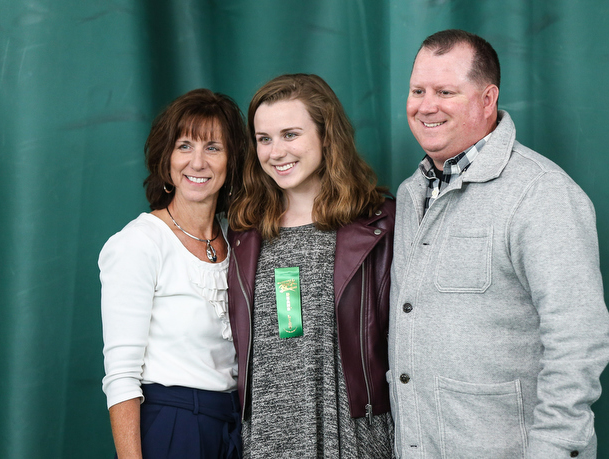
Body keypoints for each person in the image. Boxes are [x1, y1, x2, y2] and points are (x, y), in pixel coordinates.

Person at [388, 29, 609, 458]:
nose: (426, 105)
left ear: (487, 99)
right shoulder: (409, 194)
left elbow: (580, 342)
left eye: (445, 91)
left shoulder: (541, 194)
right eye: (417, 90)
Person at [227, 73, 395, 458]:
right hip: (268, 439)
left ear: (325, 135)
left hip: (354, 435)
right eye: (264, 139)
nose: (276, 152)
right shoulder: (243, 234)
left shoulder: (380, 224)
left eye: (290, 134)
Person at [99, 88, 247, 459]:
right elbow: (121, 377)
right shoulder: (139, 244)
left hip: (237, 427)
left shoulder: (241, 241)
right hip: (173, 425)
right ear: (166, 159)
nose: (197, 162)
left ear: (231, 162)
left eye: (212, 148)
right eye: (184, 146)